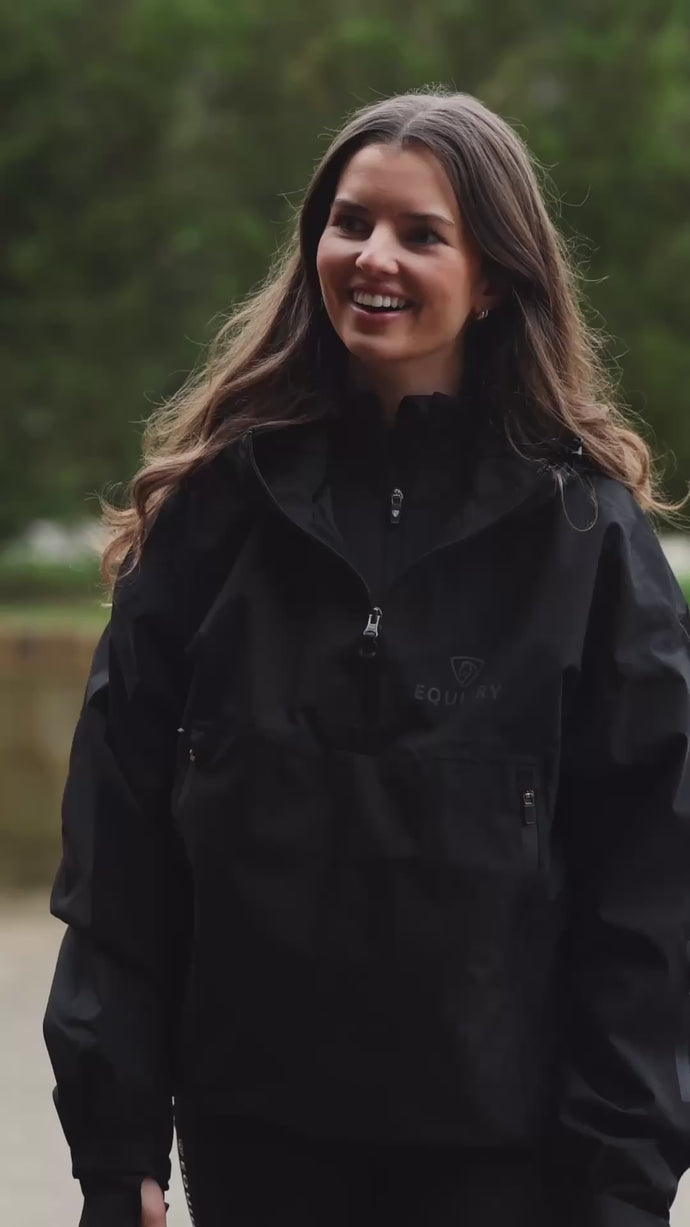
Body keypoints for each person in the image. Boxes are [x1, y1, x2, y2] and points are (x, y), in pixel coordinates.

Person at [43, 87, 690, 1227]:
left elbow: (651, 889)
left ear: (493, 280)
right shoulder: (214, 514)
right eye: (350, 223)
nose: (373, 257)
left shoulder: (586, 540)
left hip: (509, 1167)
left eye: (421, 233)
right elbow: (120, 850)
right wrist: (117, 1142)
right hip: (257, 1148)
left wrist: (620, 1183)